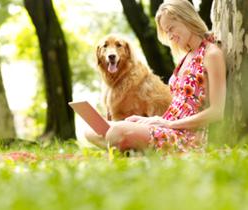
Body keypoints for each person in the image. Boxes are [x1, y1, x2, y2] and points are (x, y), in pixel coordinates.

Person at [84, 0, 226, 153]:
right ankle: (134, 149)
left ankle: (132, 149)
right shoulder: (186, 57)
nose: (170, 36)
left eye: (171, 28)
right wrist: (149, 121)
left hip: (185, 137)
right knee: (92, 131)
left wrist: (168, 124)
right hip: (166, 126)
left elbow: (217, 112)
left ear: (187, 19)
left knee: (116, 132)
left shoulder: (212, 54)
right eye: (167, 31)